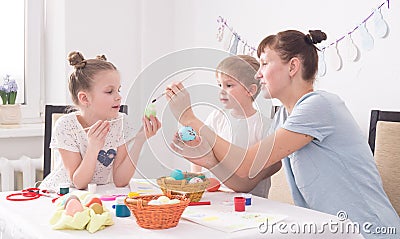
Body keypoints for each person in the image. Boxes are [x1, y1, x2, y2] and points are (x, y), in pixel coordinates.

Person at [166, 30, 400, 238]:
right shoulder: (283, 118)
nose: (258, 74)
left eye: (265, 64)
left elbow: (247, 164)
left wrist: (190, 118)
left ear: (292, 67)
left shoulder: (319, 106)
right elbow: (245, 181)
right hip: (326, 229)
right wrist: (209, 162)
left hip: (366, 230)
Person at [40, 51, 161, 190]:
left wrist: (140, 140)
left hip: (101, 193)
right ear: (85, 98)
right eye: (110, 91)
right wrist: (93, 147)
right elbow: (79, 183)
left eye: (118, 90)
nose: (118, 97)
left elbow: (120, 181)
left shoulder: (121, 123)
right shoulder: (66, 126)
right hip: (63, 194)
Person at [191, 54, 281, 198]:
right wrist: (195, 177)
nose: (221, 90)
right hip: (217, 197)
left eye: (229, 85)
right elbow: (200, 149)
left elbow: (267, 166)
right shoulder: (217, 117)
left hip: (252, 201)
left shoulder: (264, 126)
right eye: (219, 85)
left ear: (250, 90)